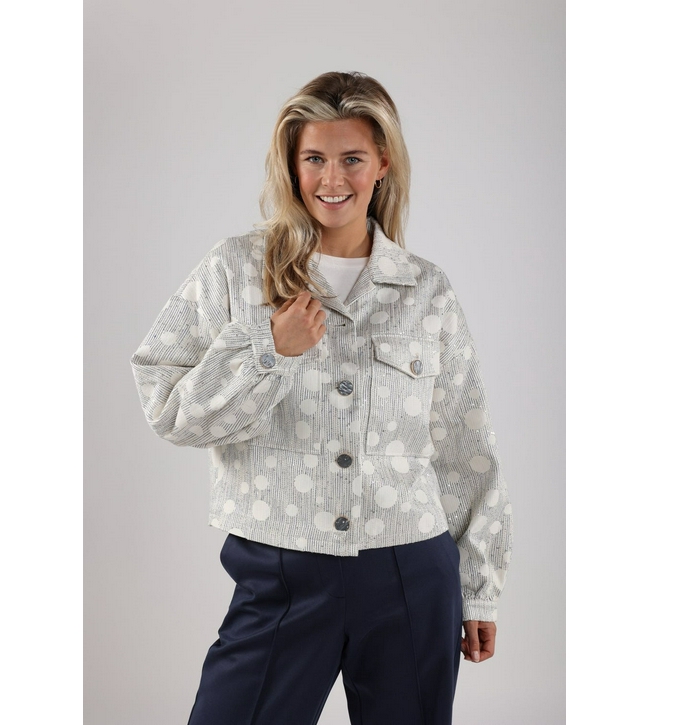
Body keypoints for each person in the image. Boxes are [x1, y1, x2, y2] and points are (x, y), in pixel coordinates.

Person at [130, 70, 513, 725]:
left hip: (410, 573)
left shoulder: (426, 290)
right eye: (314, 158)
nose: (332, 178)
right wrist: (266, 348)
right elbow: (168, 408)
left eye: (351, 158)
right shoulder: (236, 270)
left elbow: (465, 446)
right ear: (291, 164)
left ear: (383, 163)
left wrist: (479, 587)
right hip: (280, 572)